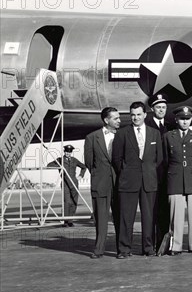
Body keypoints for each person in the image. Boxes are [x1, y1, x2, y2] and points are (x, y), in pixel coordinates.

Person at [112, 101, 163, 258]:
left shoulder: (154, 133)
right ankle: (124, 249)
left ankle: (148, 248)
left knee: (149, 218)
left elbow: (159, 158)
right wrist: (127, 172)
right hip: (128, 182)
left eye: (139, 114)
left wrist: (150, 173)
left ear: (145, 115)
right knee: (126, 218)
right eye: (133, 115)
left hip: (149, 181)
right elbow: (116, 159)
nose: (135, 118)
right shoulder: (122, 133)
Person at [163, 106, 192, 255]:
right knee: (176, 214)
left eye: (187, 119)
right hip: (174, 178)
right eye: (182, 119)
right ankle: (176, 246)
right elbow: (164, 160)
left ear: (191, 120)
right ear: (176, 119)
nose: (185, 122)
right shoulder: (169, 136)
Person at [84, 107, 120, 258]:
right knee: (101, 218)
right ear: (106, 120)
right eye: (115, 118)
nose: (119, 121)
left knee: (120, 217)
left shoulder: (123, 136)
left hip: (119, 184)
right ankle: (99, 249)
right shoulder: (92, 137)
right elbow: (89, 162)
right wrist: (101, 176)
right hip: (101, 183)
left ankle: (122, 249)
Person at [144, 93, 176, 253]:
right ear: (152, 109)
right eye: (158, 107)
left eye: (164, 107)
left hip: (168, 177)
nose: (161, 110)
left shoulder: (171, 126)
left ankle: (163, 245)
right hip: (151, 177)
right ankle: (149, 246)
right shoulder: (146, 125)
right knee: (151, 212)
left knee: (165, 213)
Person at [47, 144, 86, 227]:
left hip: (74, 182)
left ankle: (70, 221)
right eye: (67, 152)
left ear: (71, 152)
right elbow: (49, 165)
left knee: (74, 202)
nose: (68, 153)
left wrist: (81, 176)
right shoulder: (60, 160)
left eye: (70, 152)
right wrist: (58, 165)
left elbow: (84, 167)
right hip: (65, 183)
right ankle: (65, 221)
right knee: (67, 202)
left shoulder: (74, 160)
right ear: (64, 152)